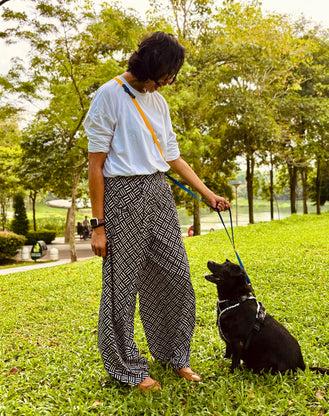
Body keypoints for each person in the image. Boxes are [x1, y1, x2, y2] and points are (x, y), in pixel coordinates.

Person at [84, 31, 230, 392]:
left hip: (158, 192)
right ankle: (128, 369)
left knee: (176, 277)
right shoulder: (108, 96)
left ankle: (173, 355)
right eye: (168, 73)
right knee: (122, 287)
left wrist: (208, 194)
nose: (170, 81)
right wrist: (98, 225)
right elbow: (95, 166)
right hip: (122, 195)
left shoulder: (158, 103)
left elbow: (172, 156)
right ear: (152, 65)